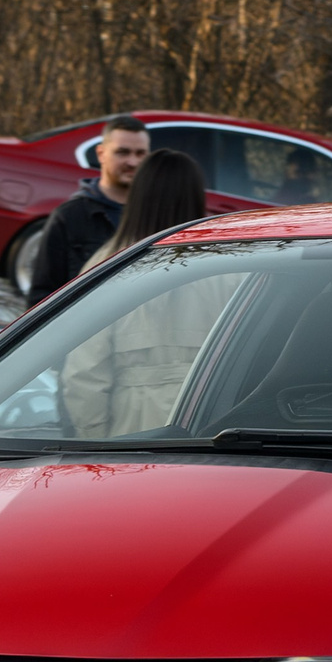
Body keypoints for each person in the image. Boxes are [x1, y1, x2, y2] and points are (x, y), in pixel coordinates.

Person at [62, 150, 238, 436]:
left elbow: (84, 372)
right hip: (215, 422)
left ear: (138, 195)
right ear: (195, 196)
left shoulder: (108, 266)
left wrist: (93, 440)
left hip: (133, 426)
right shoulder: (235, 263)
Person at [28, 116, 149, 300]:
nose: (132, 162)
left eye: (140, 153)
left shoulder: (154, 214)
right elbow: (42, 296)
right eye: (122, 152)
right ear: (101, 154)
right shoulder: (70, 216)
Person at [81, 148, 208, 273]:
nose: (132, 162)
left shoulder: (101, 262)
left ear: (137, 195)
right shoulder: (208, 268)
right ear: (194, 199)